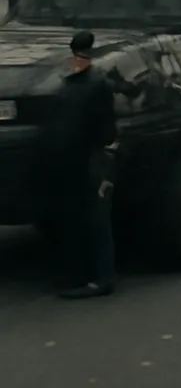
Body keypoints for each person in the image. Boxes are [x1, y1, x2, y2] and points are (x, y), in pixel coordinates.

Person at [41, 31, 118, 299]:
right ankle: (93, 276)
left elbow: (105, 133)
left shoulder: (79, 85)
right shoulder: (91, 83)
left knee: (94, 220)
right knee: (89, 219)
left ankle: (101, 279)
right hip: (84, 159)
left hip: (87, 160)